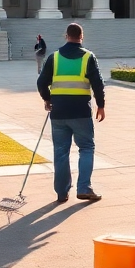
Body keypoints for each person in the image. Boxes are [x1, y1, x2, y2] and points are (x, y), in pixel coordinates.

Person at [37, 22, 107, 203]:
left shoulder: (54, 57)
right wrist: (101, 105)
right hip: (81, 111)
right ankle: (84, 187)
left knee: (60, 151)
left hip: (59, 111)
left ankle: (62, 192)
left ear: (66, 36)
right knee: (86, 148)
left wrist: (47, 99)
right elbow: (98, 84)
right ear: (81, 37)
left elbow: (41, 82)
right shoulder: (88, 57)